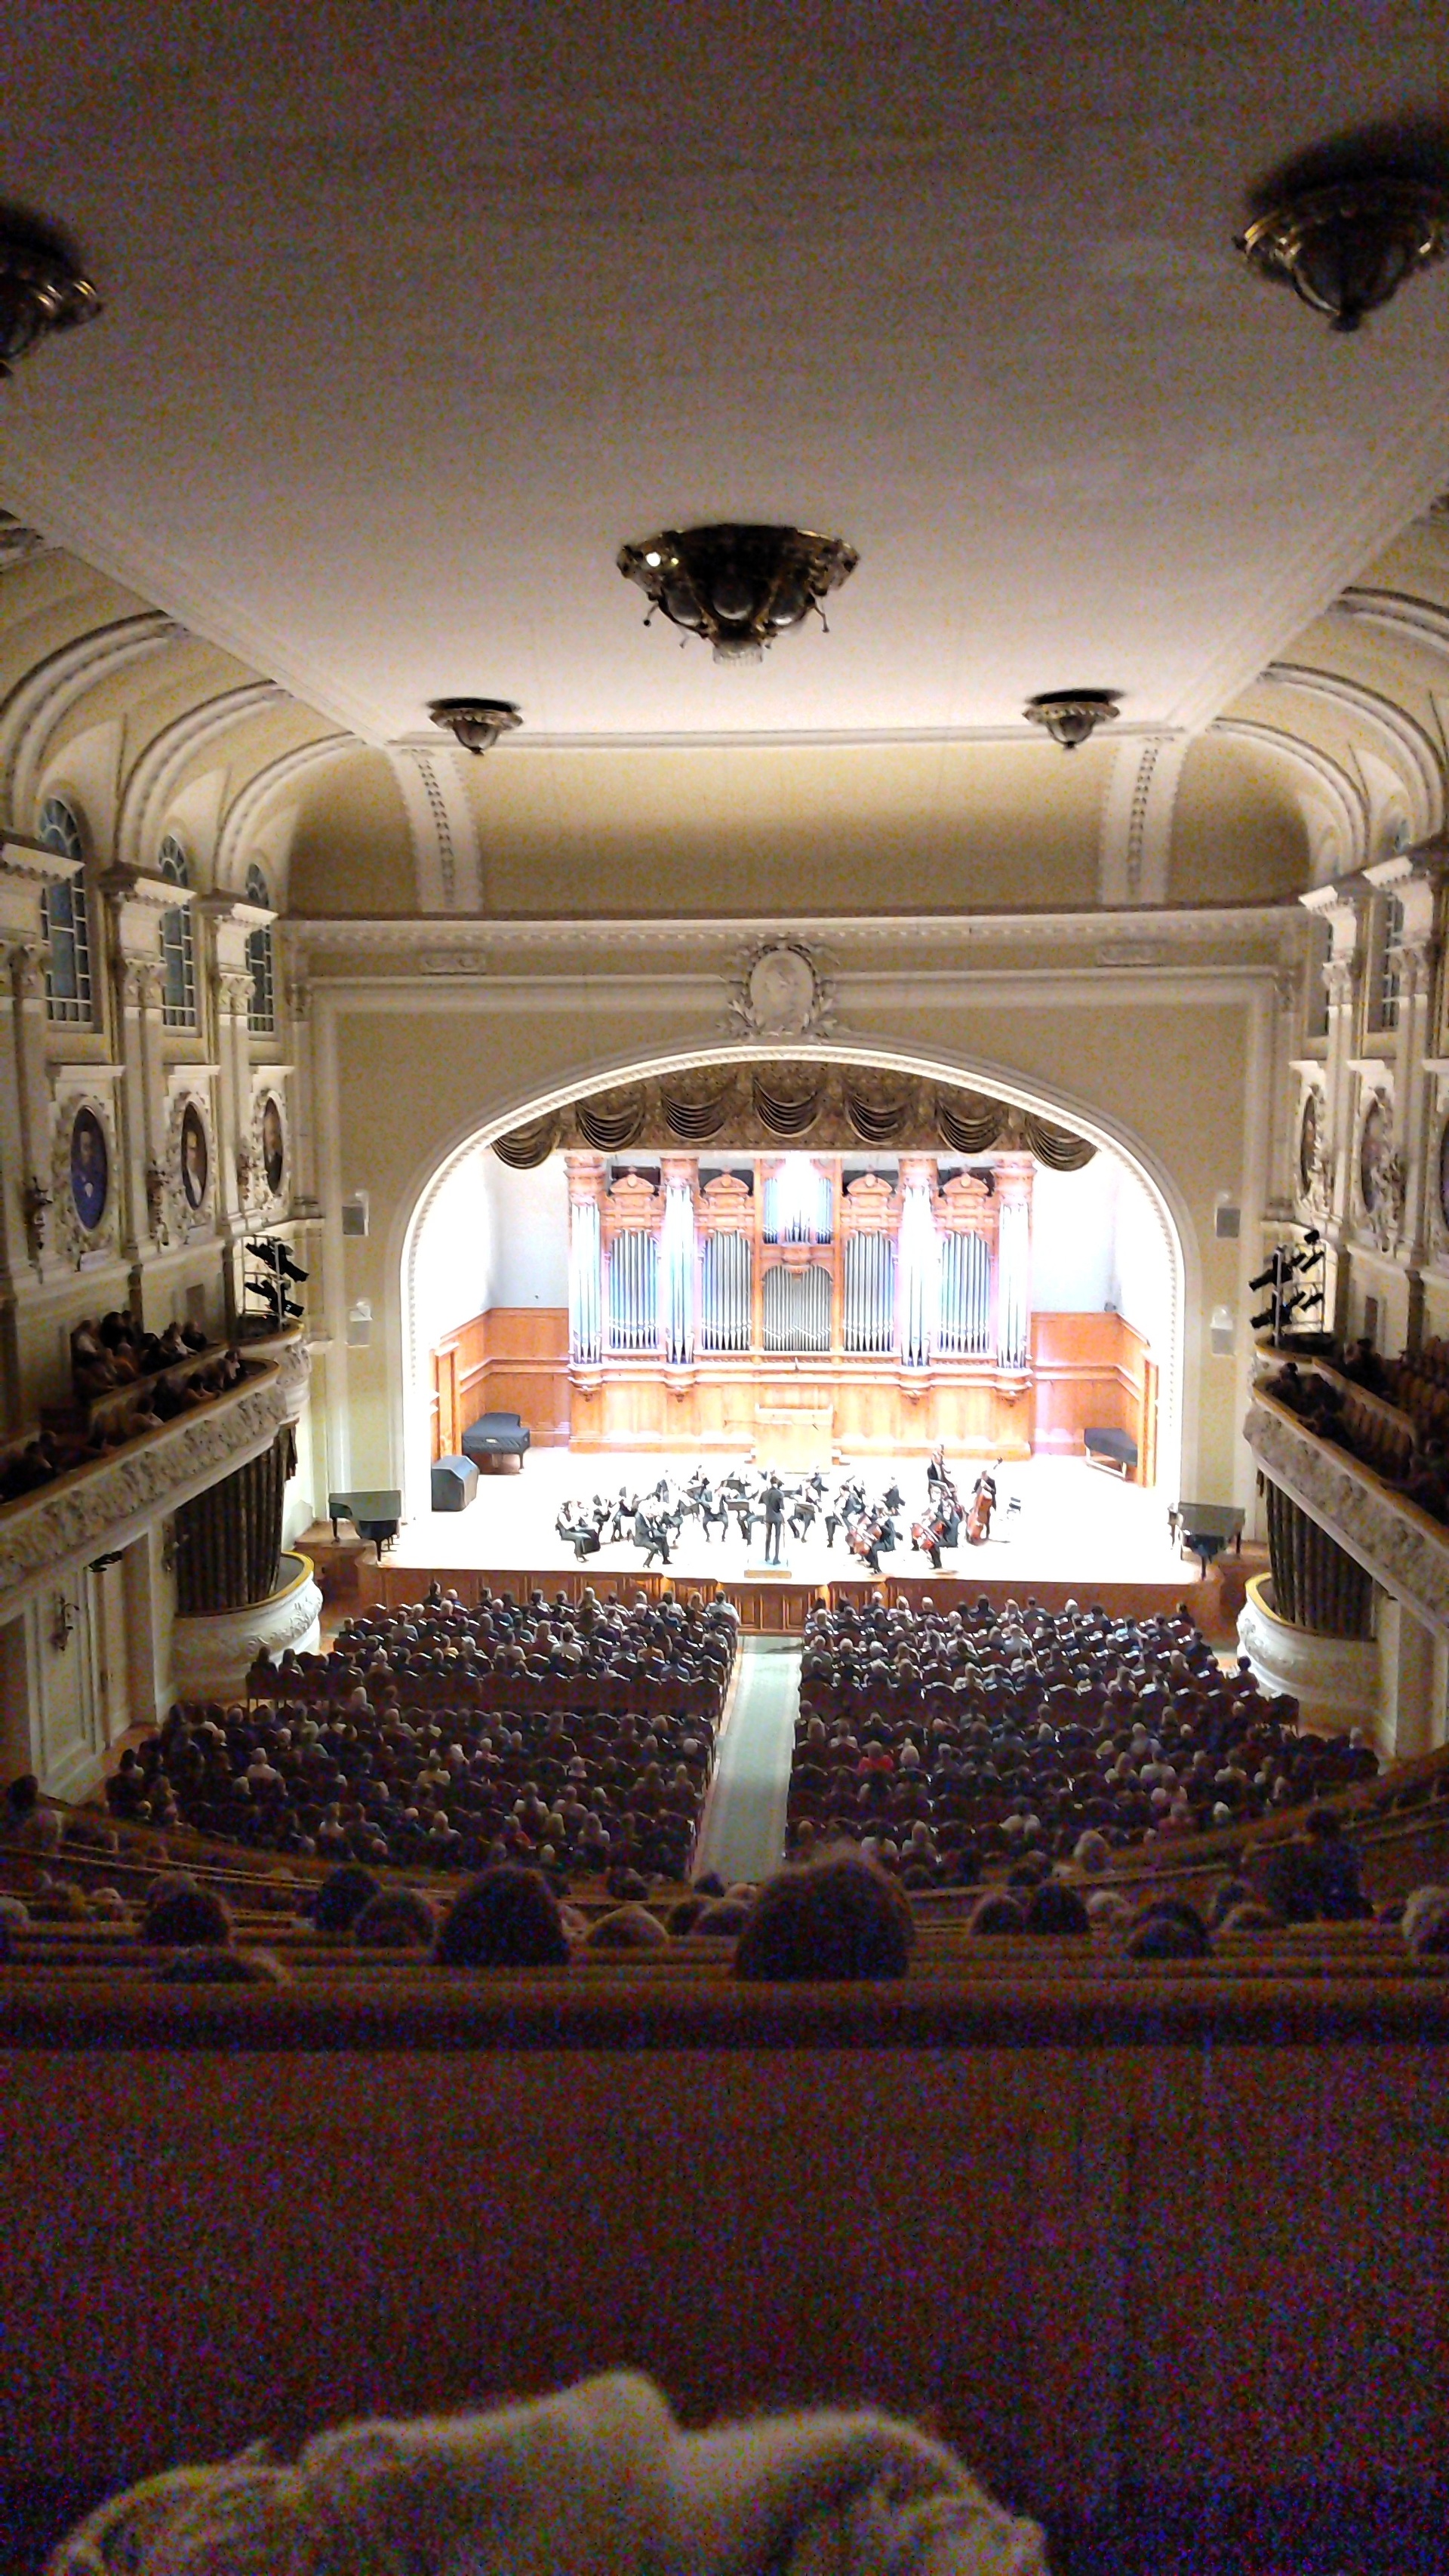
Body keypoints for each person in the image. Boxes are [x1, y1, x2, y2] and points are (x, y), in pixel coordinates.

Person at [762, 1473, 785, 1565]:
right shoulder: (780, 1494)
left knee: (768, 1536)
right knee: (777, 1537)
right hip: (777, 1518)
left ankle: (767, 1556)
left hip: (768, 1516)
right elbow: (782, 1507)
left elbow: (761, 1502)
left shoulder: (764, 1493)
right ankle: (776, 1558)